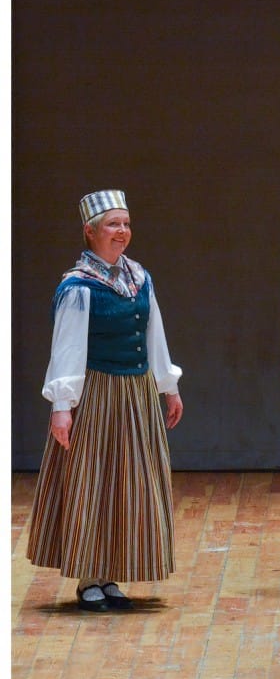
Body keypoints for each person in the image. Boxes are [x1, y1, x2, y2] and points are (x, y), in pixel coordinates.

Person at [26, 190, 184, 612]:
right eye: (113, 224)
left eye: (126, 224)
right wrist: (62, 406)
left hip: (136, 392)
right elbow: (67, 348)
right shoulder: (79, 286)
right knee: (93, 479)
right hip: (97, 392)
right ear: (90, 231)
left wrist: (168, 386)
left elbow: (154, 333)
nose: (122, 232)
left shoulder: (139, 277)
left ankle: (110, 573)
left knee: (128, 481)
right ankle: (89, 577)